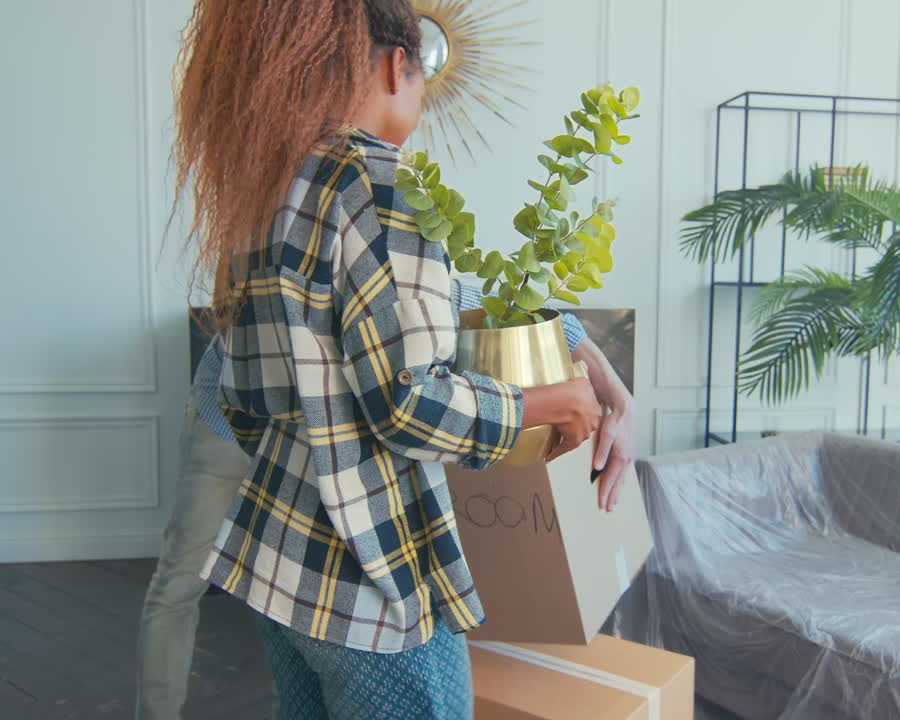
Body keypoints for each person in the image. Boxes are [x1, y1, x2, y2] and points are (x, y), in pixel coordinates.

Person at [138, 2, 635, 716]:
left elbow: (242, 400)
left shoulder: (260, 188)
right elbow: (408, 407)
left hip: (280, 568)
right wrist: (550, 404)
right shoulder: (382, 187)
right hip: (371, 584)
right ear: (397, 62)